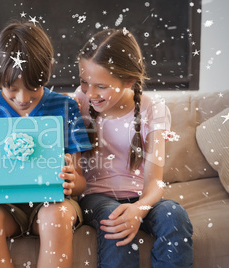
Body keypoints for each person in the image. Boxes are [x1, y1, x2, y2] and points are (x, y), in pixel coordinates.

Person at [0, 21, 91, 268]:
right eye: (11, 89)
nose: (23, 99)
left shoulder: (65, 107)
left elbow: (80, 181)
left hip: (53, 204)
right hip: (2, 206)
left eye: (33, 88)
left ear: (48, 69)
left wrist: (73, 180)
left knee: (56, 215)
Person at [74, 28, 194, 267]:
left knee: (174, 214)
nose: (91, 93)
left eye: (102, 86)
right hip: (96, 197)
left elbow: (154, 183)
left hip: (141, 196)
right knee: (113, 217)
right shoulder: (81, 100)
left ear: (129, 81)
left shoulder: (154, 111)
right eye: (84, 82)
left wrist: (139, 209)